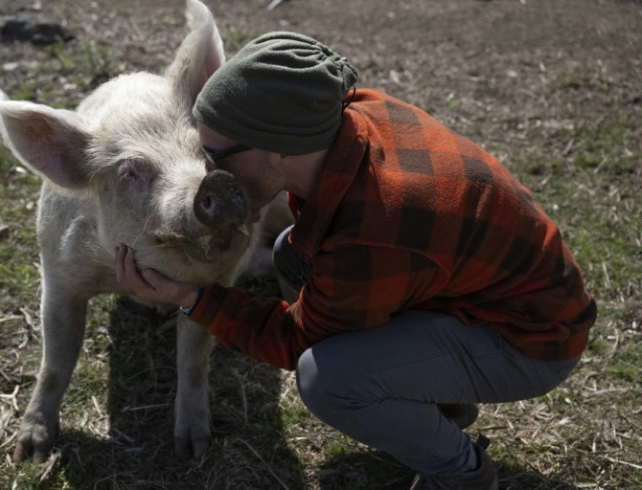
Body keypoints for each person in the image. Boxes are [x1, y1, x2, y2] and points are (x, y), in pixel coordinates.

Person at [115, 32, 596, 489]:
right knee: (290, 251)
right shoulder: (346, 118)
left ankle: (461, 470)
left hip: (531, 342)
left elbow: (294, 342)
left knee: (328, 380)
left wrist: (190, 296)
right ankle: (442, 400)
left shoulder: (373, 227)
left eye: (216, 156)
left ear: (280, 146)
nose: (207, 175)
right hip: (485, 294)